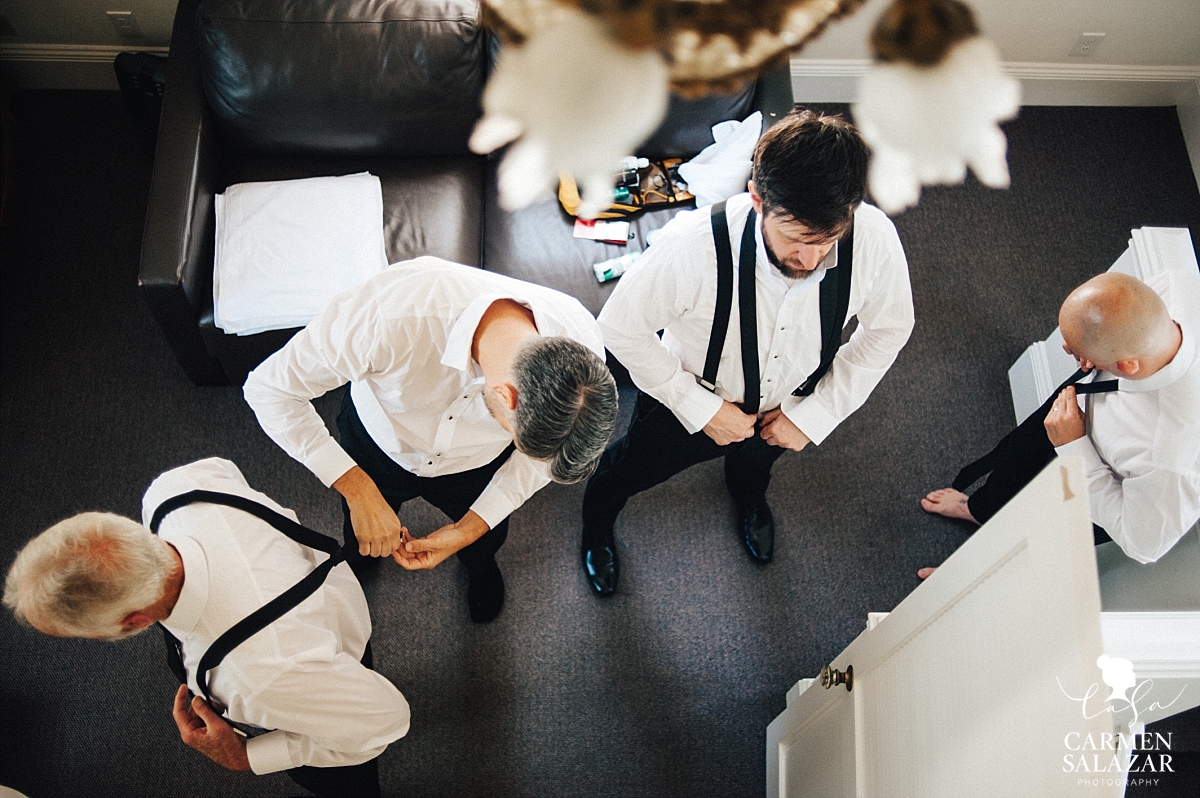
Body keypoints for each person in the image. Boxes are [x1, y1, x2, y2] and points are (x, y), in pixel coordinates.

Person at [579, 108, 915, 596]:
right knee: (629, 470)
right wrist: (702, 408)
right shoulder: (688, 248)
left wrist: (816, 414)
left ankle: (749, 500)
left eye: (828, 241)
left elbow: (890, 328)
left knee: (756, 469)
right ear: (757, 198)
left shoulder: (875, 238)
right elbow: (619, 329)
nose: (811, 260)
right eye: (798, 239)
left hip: (789, 407)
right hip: (687, 401)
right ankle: (596, 528)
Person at [3, 457, 409, 797]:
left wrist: (247, 757)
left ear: (134, 622)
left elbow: (387, 719)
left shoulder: (260, 677)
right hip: (323, 599)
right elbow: (226, 472)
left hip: (319, 663)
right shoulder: (174, 489)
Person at [244, 257, 618, 622]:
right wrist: (357, 489)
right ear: (506, 396)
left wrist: (470, 528)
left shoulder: (584, 356)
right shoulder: (389, 315)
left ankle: (480, 567)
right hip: (379, 444)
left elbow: (541, 461)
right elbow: (269, 390)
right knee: (358, 530)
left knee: (485, 542)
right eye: (515, 437)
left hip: (476, 464)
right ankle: (360, 562)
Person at [922, 269, 1200, 571]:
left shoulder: (1172, 460)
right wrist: (1094, 347)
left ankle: (969, 576)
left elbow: (1141, 544)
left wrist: (1074, 447)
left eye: (1075, 348)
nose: (1066, 349)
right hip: (1076, 408)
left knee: (1033, 538)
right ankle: (978, 509)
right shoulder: (1176, 286)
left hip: (1087, 489)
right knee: (1015, 464)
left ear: (1126, 365)